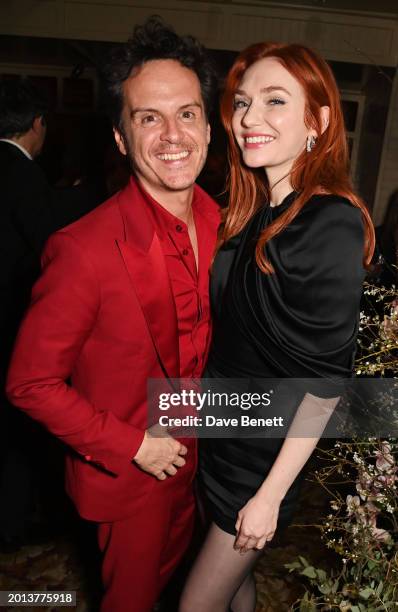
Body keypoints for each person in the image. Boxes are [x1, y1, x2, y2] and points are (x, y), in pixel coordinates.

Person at [6, 17, 219, 612]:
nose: (171, 134)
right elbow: (30, 383)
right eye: (148, 117)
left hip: (204, 467)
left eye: (186, 113)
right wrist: (132, 446)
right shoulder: (84, 249)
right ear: (122, 139)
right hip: (134, 477)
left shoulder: (223, 223)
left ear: (208, 125)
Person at [179, 42, 375, 612]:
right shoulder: (256, 212)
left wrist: (269, 496)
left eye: (274, 101)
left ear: (317, 121)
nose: (249, 119)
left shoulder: (329, 221)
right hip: (224, 434)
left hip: (263, 457)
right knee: (235, 582)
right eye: (242, 103)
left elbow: (325, 384)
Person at [0, 77, 100, 549]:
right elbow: (47, 241)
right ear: (37, 125)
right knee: (18, 433)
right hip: (9, 322)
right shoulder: (20, 173)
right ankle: (12, 526)